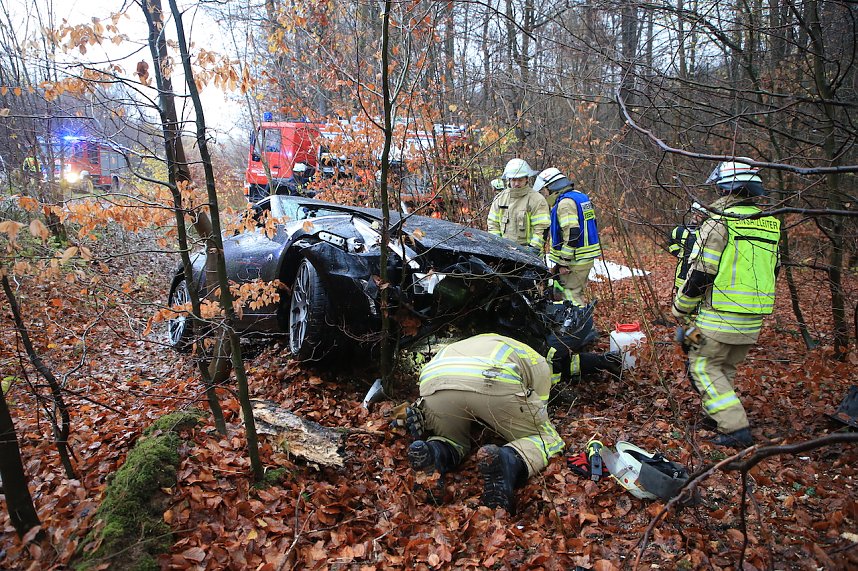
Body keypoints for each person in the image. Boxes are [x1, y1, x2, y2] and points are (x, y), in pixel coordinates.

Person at [404, 333, 620, 513]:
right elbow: (536, 412)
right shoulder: (540, 362)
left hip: (433, 380)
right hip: (492, 378)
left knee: (451, 439)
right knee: (546, 437)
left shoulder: (480, 342)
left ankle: (435, 453)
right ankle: (508, 461)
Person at [672, 161, 780, 448]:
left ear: (726, 188)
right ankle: (715, 414)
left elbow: (701, 273)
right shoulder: (770, 222)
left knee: (702, 366)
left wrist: (681, 307)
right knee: (724, 366)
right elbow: (775, 269)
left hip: (720, 315)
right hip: (753, 317)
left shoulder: (719, 221)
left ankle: (735, 427)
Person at [533, 168, 601, 306]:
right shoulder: (580, 197)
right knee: (576, 293)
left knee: (571, 295)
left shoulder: (565, 204)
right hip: (585, 256)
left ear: (552, 188)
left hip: (576, 258)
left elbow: (572, 234)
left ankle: (577, 320)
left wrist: (563, 262)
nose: (545, 194)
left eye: (545, 190)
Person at [486, 159, 549, 256]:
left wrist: (533, 249)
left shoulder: (537, 200)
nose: (516, 183)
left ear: (527, 179)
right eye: (514, 180)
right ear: (509, 179)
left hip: (529, 254)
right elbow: (493, 224)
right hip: (504, 253)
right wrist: (497, 245)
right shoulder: (500, 198)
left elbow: (541, 227)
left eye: (520, 180)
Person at [668, 202, 707, 296]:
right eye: (694, 213)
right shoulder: (679, 230)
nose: (695, 216)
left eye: (699, 214)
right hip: (682, 271)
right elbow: (671, 243)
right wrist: (679, 253)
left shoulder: (705, 232)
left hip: (698, 271)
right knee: (680, 294)